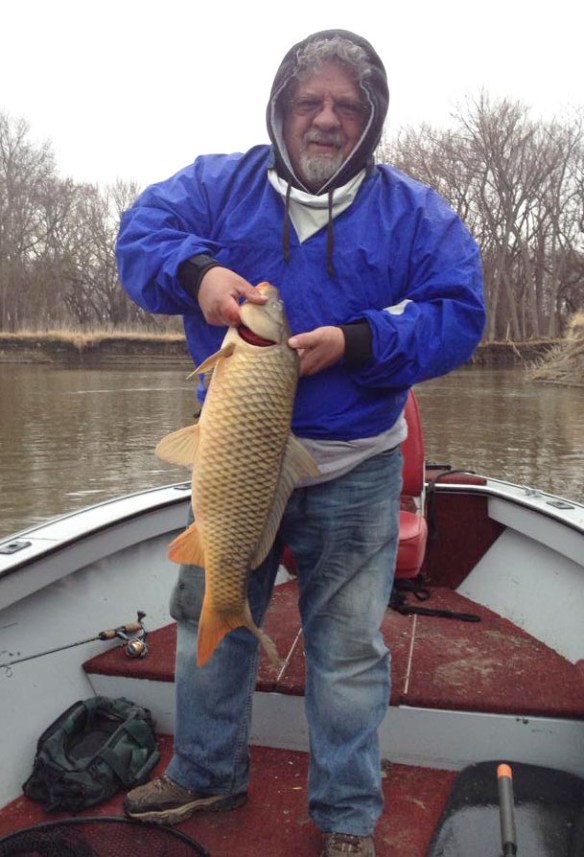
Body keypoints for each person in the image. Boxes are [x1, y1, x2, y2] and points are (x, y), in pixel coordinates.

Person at [115, 29, 485, 857]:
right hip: (235, 457)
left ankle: (348, 817)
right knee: (205, 611)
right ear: (280, 109)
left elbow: (459, 317)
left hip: (355, 466)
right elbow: (140, 232)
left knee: (348, 645)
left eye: (347, 106)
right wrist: (198, 272)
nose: (326, 119)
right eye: (309, 101)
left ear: (372, 120)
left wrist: (356, 341)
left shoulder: (417, 215)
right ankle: (208, 770)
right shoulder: (219, 185)